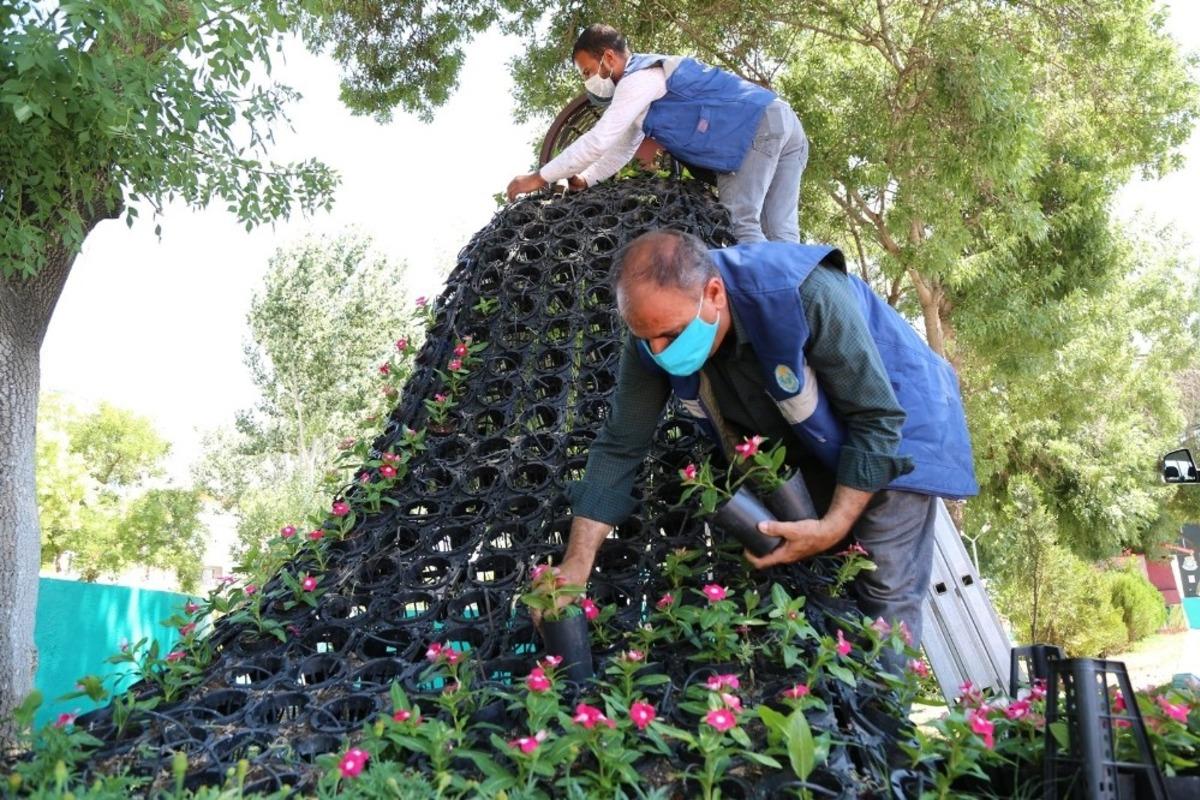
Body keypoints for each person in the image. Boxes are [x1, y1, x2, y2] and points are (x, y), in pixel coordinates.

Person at [552, 230, 979, 656]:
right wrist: (576, 563)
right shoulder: (654, 331)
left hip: (898, 428)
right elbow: (621, 445)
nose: (660, 351)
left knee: (883, 590)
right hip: (813, 444)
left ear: (714, 293)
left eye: (671, 334)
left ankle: (885, 717)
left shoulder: (802, 293)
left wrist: (833, 525)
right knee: (819, 588)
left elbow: (876, 418)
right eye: (648, 338)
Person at [506, 24, 809, 244]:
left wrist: (539, 177)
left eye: (587, 72)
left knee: (740, 222)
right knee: (780, 231)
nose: (588, 82)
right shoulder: (643, 97)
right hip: (781, 120)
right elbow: (622, 147)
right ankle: (801, 309)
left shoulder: (639, 78)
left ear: (608, 58)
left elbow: (600, 138)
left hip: (752, 129)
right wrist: (586, 179)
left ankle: (774, 314)